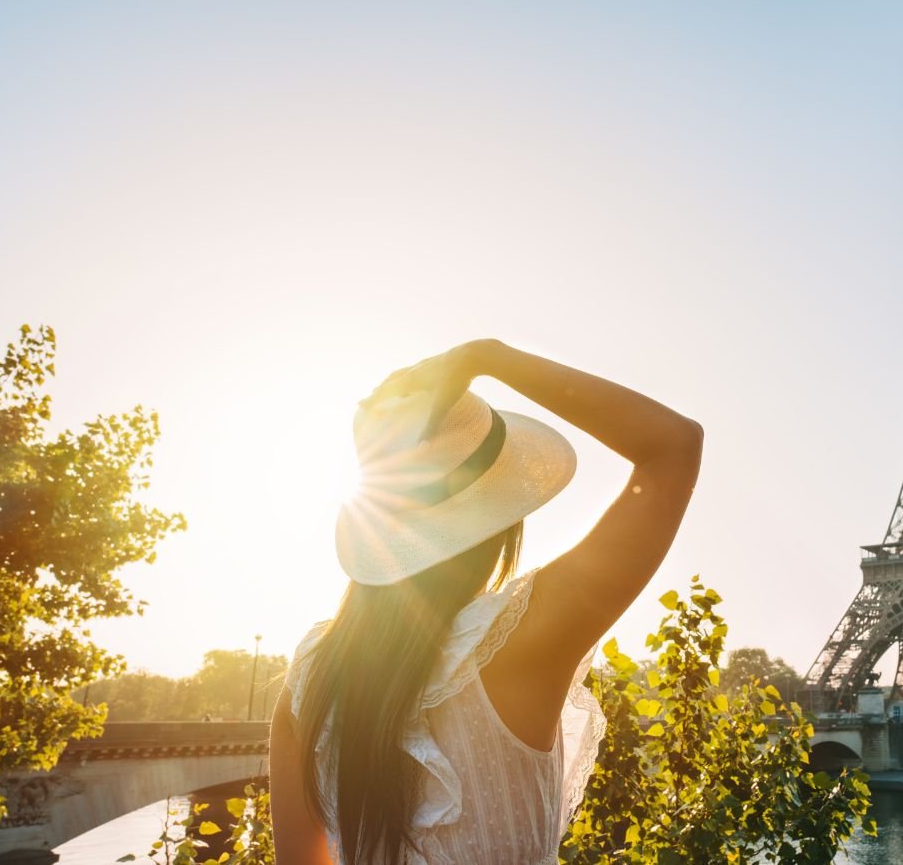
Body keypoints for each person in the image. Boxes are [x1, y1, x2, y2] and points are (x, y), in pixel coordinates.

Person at [268, 339, 703, 865]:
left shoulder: (310, 676)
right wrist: (488, 357)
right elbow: (674, 446)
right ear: (502, 522)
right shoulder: (521, 637)